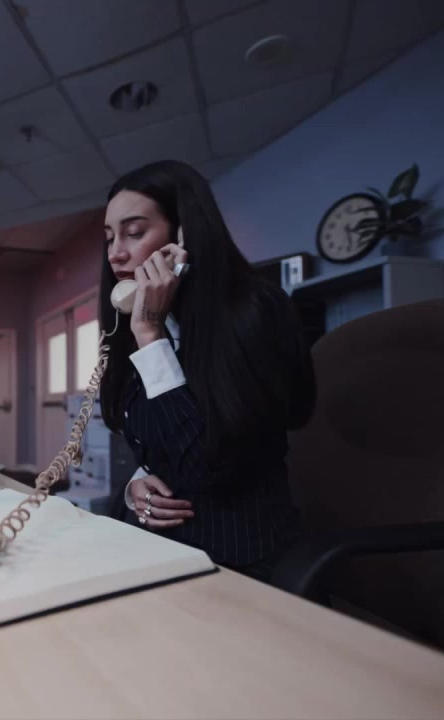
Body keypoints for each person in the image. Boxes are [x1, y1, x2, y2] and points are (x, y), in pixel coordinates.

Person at [98, 160, 316, 584]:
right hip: (163, 552)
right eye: (109, 238)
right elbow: (152, 444)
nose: (115, 253)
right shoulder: (145, 323)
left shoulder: (254, 310)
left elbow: (207, 465)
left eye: (134, 232)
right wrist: (137, 483)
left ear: (183, 235)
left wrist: (150, 335)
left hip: (240, 562)